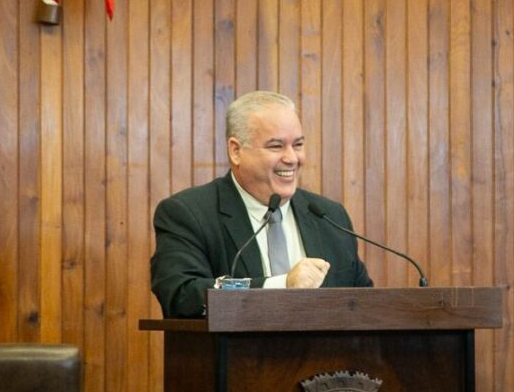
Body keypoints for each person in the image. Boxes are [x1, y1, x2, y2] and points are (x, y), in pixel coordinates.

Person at [150, 91, 373, 317]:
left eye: (297, 145)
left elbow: (366, 305)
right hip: (233, 352)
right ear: (236, 151)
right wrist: (281, 285)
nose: (292, 158)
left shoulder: (330, 216)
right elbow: (182, 294)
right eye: (276, 146)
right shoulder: (189, 214)